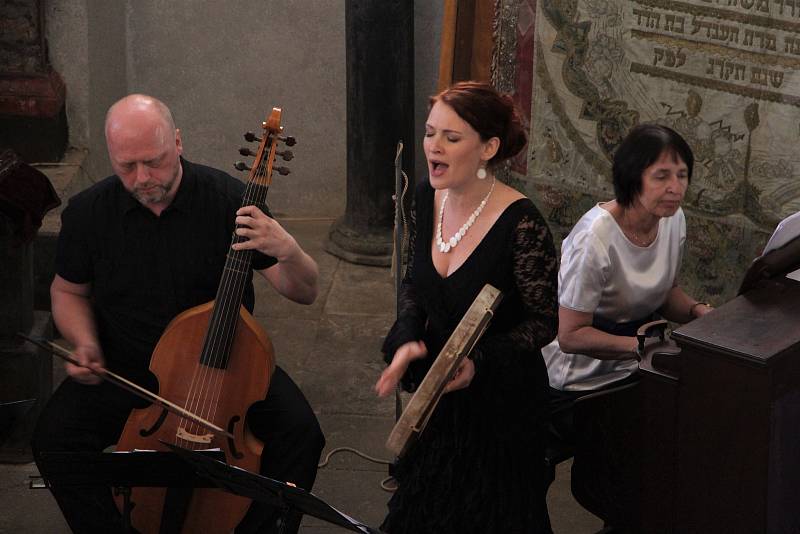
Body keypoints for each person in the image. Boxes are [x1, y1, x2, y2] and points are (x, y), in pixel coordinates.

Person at [31, 94, 325, 534]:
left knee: (301, 434)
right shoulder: (90, 212)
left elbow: (301, 290)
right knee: (54, 442)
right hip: (128, 365)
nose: (143, 178)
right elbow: (67, 290)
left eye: (154, 161)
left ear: (179, 143)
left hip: (224, 368)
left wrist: (289, 250)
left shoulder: (229, 200)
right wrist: (85, 342)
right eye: (126, 166)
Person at [374, 81, 559, 533]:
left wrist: (478, 363)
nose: (433, 147)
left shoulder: (522, 223)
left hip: (501, 408)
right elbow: (414, 285)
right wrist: (407, 338)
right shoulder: (424, 196)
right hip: (440, 402)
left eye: (451, 138)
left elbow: (544, 322)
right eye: (430, 132)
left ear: (488, 148)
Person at [541, 123, 712, 527]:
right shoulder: (595, 239)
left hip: (638, 363)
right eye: (662, 176)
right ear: (633, 177)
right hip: (577, 383)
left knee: (680, 448)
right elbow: (570, 335)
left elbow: (665, 292)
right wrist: (638, 348)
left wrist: (698, 312)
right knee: (630, 474)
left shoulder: (673, 220)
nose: (676, 187)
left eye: (682, 175)